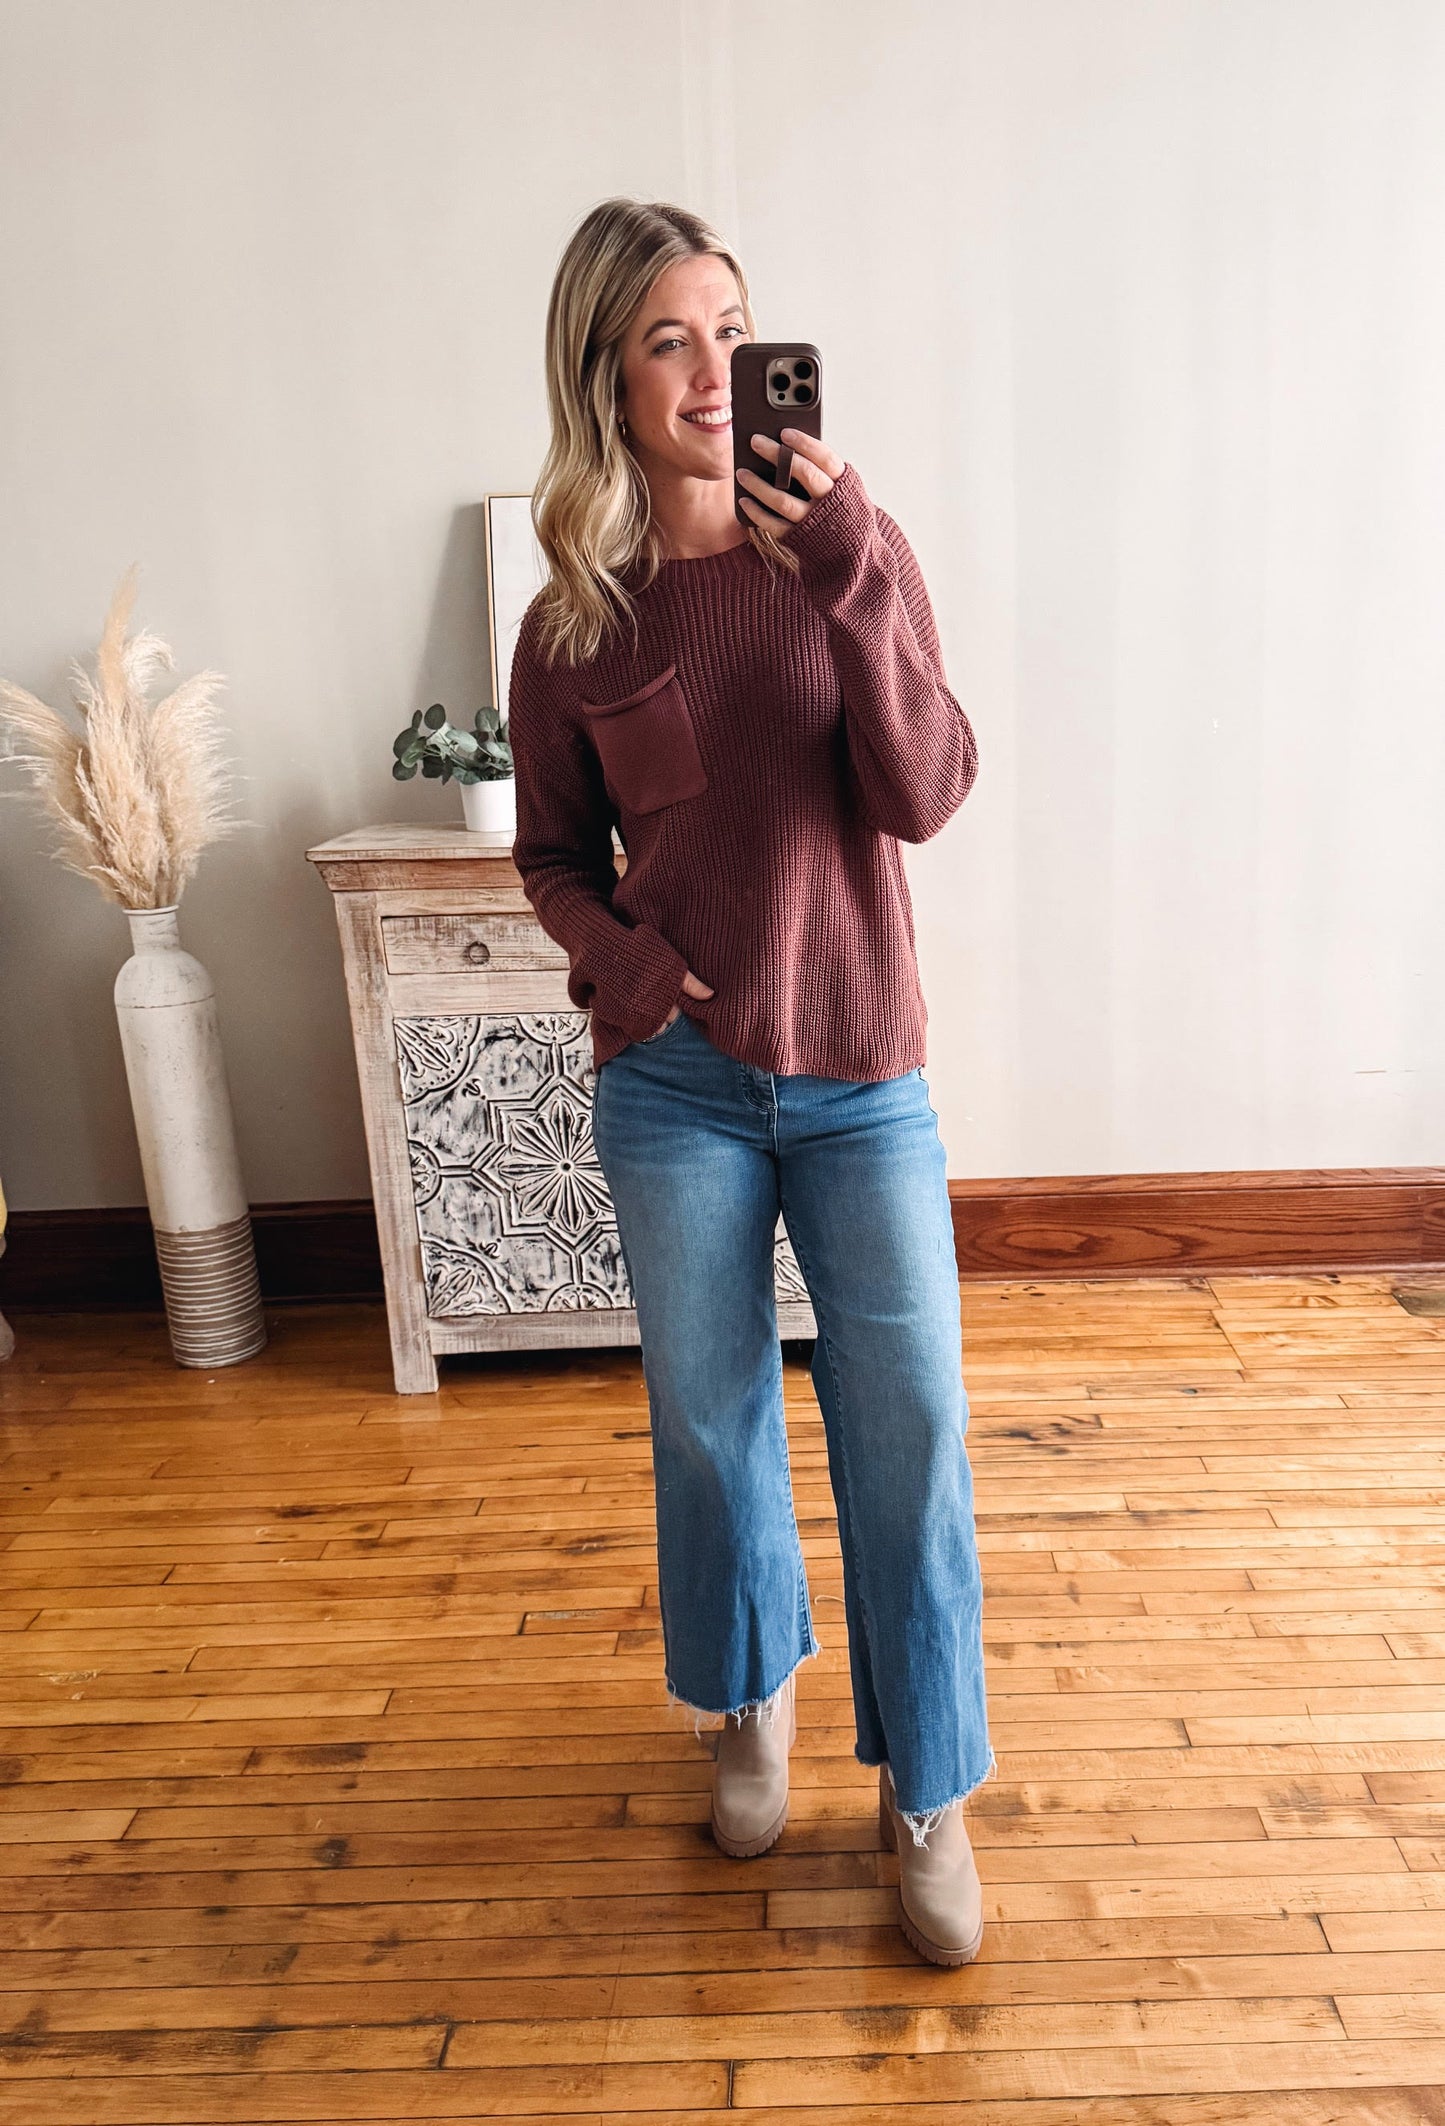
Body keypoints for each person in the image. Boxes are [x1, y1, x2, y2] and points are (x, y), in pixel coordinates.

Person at [508, 197, 991, 1967]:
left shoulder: (852, 545)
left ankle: (929, 1784)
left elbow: (927, 789)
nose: (713, 371)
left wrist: (847, 562)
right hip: (679, 1088)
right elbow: (552, 856)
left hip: (862, 1067)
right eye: (666, 339)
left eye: (731, 330)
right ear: (606, 379)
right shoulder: (575, 615)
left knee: (911, 1433)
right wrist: (633, 972)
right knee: (710, 1432)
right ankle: (743, 1698)